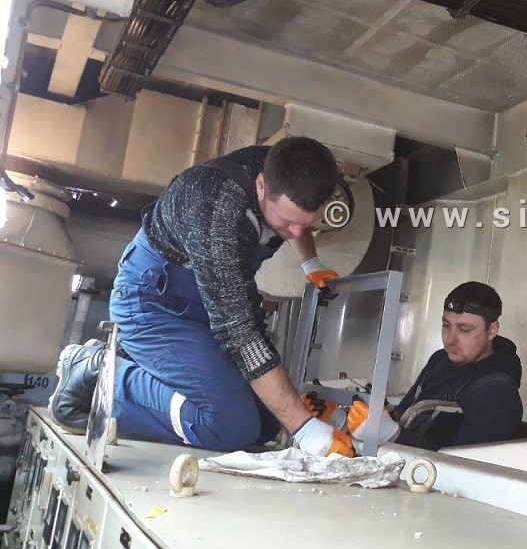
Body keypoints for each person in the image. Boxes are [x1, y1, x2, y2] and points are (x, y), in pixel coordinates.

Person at [48, 137, 354, 457]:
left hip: (202, 303)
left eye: (306, 224)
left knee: (266, 423)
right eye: (286, 223)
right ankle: (97, 372)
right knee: (228, 426)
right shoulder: (216, 210)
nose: (295, 232)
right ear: (262, 185)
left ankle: (142, 369)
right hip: (153, 302)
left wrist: (310, 263)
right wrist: (303, 427)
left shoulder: (292, 171)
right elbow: (242, 334)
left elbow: (297, 220)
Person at [315, 281, 523, 451]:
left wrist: (392, 435)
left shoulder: (498, 392)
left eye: (464, 330)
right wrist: (343, 421)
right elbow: (402, 415)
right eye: (446, 325)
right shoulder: (440, 360)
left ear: (492, 330)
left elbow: (466, 468)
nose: (450, 339)